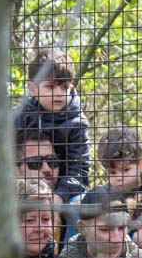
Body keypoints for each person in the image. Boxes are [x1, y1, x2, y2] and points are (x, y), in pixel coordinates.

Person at [14, 49, 91, 204]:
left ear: (70, 88)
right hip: (25, 187)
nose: (59, 93)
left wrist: (60, 195)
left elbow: (79, 169)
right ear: (32, 89)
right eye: (50, 87)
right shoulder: (20, 117)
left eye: (64, 87)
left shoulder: (77, 123)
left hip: (66, 191)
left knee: (79, 204)